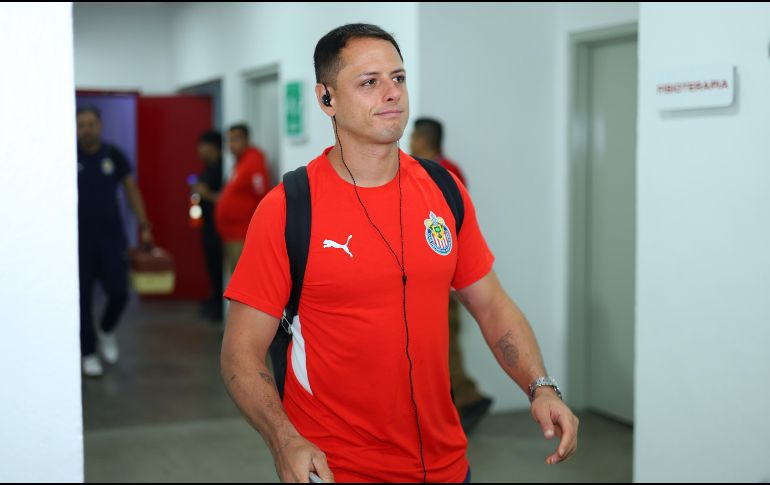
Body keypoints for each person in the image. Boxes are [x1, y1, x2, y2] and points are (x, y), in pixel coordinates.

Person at [220, 24, 578, 483]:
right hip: (336, 469)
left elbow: (491, 305)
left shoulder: (443, 190)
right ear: (327, 98)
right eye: (369, 82)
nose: (392, 93)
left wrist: (540, 387)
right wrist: (283, 439)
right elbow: (240, 352)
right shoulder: (289, 208)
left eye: (399, 78)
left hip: (448, 467)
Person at [410, 117, 494, 433]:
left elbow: (444, 227)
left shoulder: (440, 173)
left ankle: (465, 400)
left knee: (441, 342)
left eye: (414, 136)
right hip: (439, 274)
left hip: (443, 275)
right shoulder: (441, 169)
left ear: (423, 139)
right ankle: (464, 400)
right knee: (442, 341)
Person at [76, 106, 153, 377]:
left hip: (111, 236)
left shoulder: (114, 155)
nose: (86, 129)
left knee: (119, 292)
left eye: (91, 124)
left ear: (100, 125)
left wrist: (144, 225)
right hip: (79, 240)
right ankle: (88, 352)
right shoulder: (69, 155)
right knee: (82, 299)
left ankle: (106, 328)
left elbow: (132, 190)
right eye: (81, 125)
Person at [215, 123, 271, 273]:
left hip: (243, 233)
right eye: (229, 140)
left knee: (243, 277)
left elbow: (262, 196)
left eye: (236, 139)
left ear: (247, 139)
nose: (231, 145)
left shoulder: (253, 162)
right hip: (231, 234)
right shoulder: (240, 163)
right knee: (235, 276)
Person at [191, 130, 224, 322]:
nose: (199, 150)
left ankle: (220, 305)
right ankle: (214, 299)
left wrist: (206, 194)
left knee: (218, 264)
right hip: (208, 225)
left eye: (202, 146)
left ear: (213, 147)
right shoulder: (207, 169)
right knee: (211, 263)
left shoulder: (222, 169)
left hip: (218, 228)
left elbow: (223, 198)